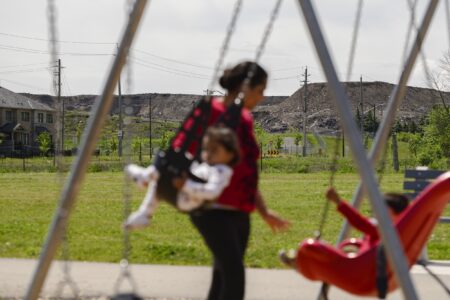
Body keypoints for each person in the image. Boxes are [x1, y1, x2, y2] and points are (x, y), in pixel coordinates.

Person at [170, 61, 290, 300]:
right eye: (260, 90)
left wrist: (264, 210)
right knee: (234, 274)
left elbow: (245, 171)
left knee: (222, 276)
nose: (263, 97)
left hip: (239, 210)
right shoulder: (209, 111)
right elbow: (180, 151)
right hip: (210, 208)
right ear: (245, 88)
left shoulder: (245, 119)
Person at [124, 126, 241, 229]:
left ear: (230, 154)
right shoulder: (210, 166)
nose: (208, 153)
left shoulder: (221, 170)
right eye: (206, 149)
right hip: (186, 196)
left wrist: (186, 185)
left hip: (188, 198)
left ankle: (144, 177)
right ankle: (144, 213)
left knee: (165, 162)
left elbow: (212, 192)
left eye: (214, 150)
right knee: (160, 178)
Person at [279, 187, 409, 268]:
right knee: (338, 250)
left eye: (381, 207)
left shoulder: (386, 230)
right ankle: (299, 261)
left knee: (313, 246)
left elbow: (360, 223)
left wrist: (338, 202)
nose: (375, 210)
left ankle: (300, 261)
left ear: (391, 212)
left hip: (363, 269)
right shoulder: (394, 228)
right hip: (365, 261)